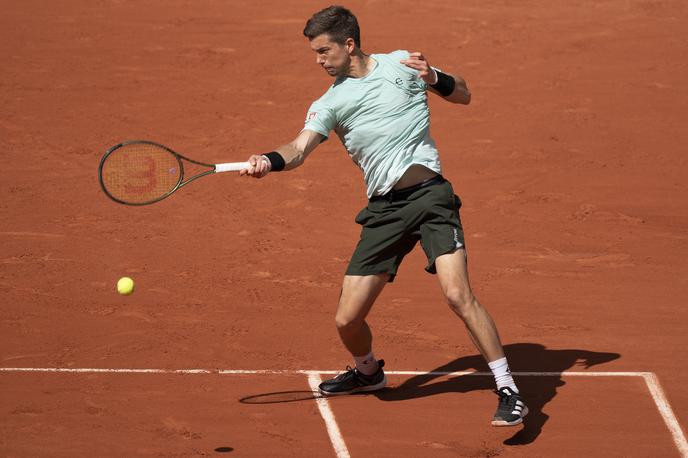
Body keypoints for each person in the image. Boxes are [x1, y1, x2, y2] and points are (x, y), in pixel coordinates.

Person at [240, 5, 528, 427]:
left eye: (323, 51)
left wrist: (433, 77)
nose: (319, 60)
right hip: (384, 211)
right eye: (315, 53)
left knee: (456, 294)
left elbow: (464, 93)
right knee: (347, 319)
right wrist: (268, 160)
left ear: (349, 44)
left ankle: (508, 388)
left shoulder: (402, 64)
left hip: (431, 198)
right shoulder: (330, 102)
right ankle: (368, 372)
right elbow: (299, 149)